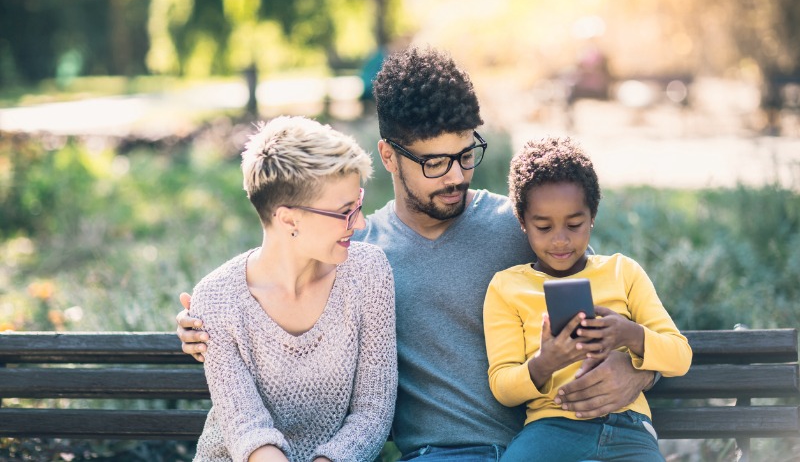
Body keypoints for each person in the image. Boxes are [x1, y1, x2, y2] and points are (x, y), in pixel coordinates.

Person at [177, 47, 658, 461]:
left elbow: (620, 310)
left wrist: (640, 370)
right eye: (434, 163)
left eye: (466, 155)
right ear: (388, 157)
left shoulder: (522, 228)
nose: (456, 176)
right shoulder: (357, 253)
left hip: (534, 445)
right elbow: (283, 255)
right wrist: (203, 326)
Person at [188, 116, 397, 462]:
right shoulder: (216, 299)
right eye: (346, 211)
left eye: (357, 203)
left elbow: (372, 412)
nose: (359, 223)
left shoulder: (368, 273)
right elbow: (247, 429)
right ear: (288, 220)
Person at [484, 137, 692, 461]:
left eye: (574, 224)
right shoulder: (507, 288)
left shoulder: (624, 272)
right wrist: (545, 363)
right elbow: (502, 385)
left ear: (592, 215)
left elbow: (680, 355)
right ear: (523, 222)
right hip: (551, 429)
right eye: (543, 226)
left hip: (629, 427)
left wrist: (629, 334)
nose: (560, 239)